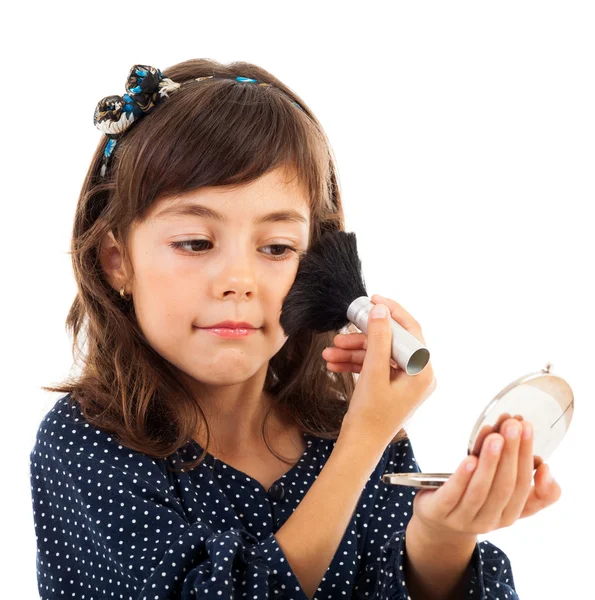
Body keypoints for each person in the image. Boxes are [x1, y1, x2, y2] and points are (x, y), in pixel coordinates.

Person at [29, 59, 561, 600]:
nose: (239, 281)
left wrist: (445, 534)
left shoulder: (337, 428)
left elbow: (394, 582)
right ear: (118, 260)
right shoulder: (85, 445)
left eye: (277, 248)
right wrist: (364, 441)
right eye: (195, 243)